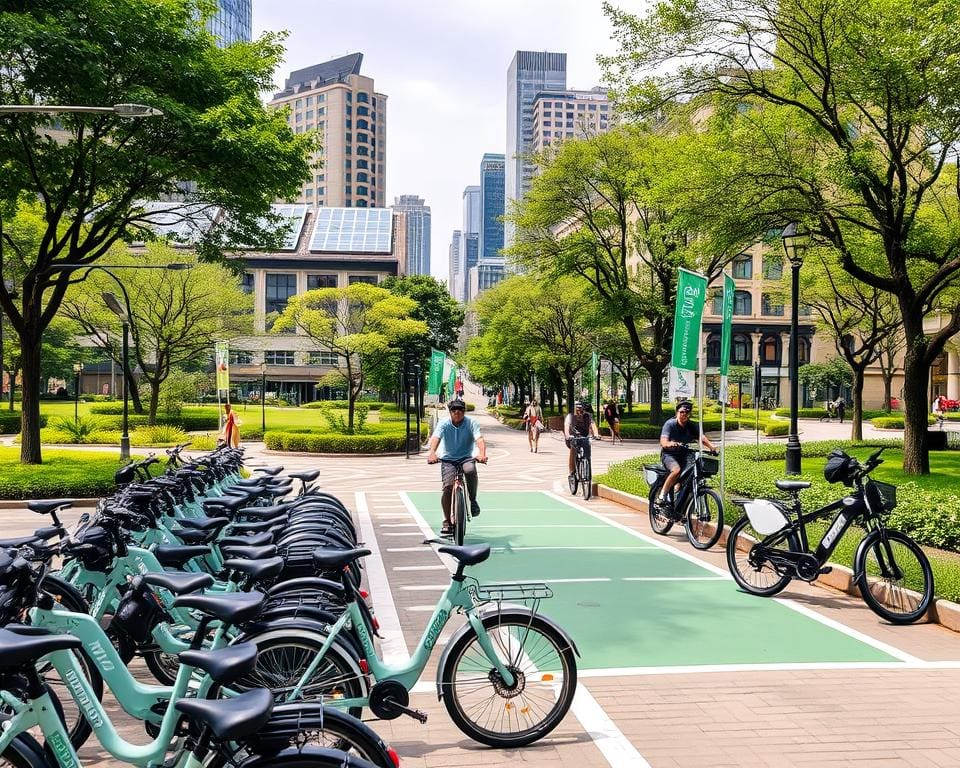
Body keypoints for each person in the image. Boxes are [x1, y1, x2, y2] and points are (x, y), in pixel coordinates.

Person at [427, 399, 488, 537]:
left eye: (460, 409)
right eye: (454, 410)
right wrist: (432, 453)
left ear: (464, 411)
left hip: (466, 457)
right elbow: (436, 438)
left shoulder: (471, 423)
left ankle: (473, 500)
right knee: (447, 487)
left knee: (470, 470)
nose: (457, 412)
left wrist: (482, 454)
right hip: (448, 459)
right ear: (450, 412)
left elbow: (479, 439)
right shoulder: (444, 423)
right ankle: (447, 521)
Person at [655, 401, 717, 515]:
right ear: (677, 412)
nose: (684, 415)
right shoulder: (670, 424)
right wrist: (670, 444)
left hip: (685, 455)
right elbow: (663, 441)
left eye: (687, 413)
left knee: (692, 474)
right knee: (676, 470)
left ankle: (680, 499)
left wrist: (711, 447)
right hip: (670, 455)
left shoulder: (691, 425)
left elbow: (701, 437)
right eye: (682, 412)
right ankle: (662, 495)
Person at [563, 401, 600, 484]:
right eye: (577, 408)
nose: (579, 410)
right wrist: (568, 435)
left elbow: (593, 425)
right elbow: (566, 426)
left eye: (580, 408)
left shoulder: (588, 416)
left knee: (587, 449)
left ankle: (586, 463)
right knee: (573, 450)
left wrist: (596, 434)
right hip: (572, 437)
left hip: (584, 436)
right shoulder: (570, 416)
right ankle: (572, 473)